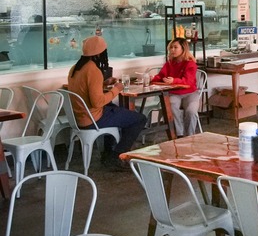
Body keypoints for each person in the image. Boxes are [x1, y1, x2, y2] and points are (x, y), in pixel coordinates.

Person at [67, 36, 146, 171]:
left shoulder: (75, 68)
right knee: (139, 119)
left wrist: (103, 83)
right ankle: (117, 156)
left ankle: (108, 152)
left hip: (79, 117)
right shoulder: (93, 70)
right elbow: (97, 102)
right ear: (99, 53)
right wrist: (117, 89)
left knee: (116, 110)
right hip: (92, 119)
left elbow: (85, 89)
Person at [151, 38, 200, 137]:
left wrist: (174, 80)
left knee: (191, 111)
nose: (172, 50)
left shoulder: (190, 64)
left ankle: (190, 136)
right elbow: (161, 76)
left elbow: (189, 82)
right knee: (171, 107)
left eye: (175, 47)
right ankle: (179, 134)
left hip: (190, 93)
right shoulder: (169, 63)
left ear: (183, 49)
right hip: (174, 92)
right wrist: (152, 78)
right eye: (171, 48)